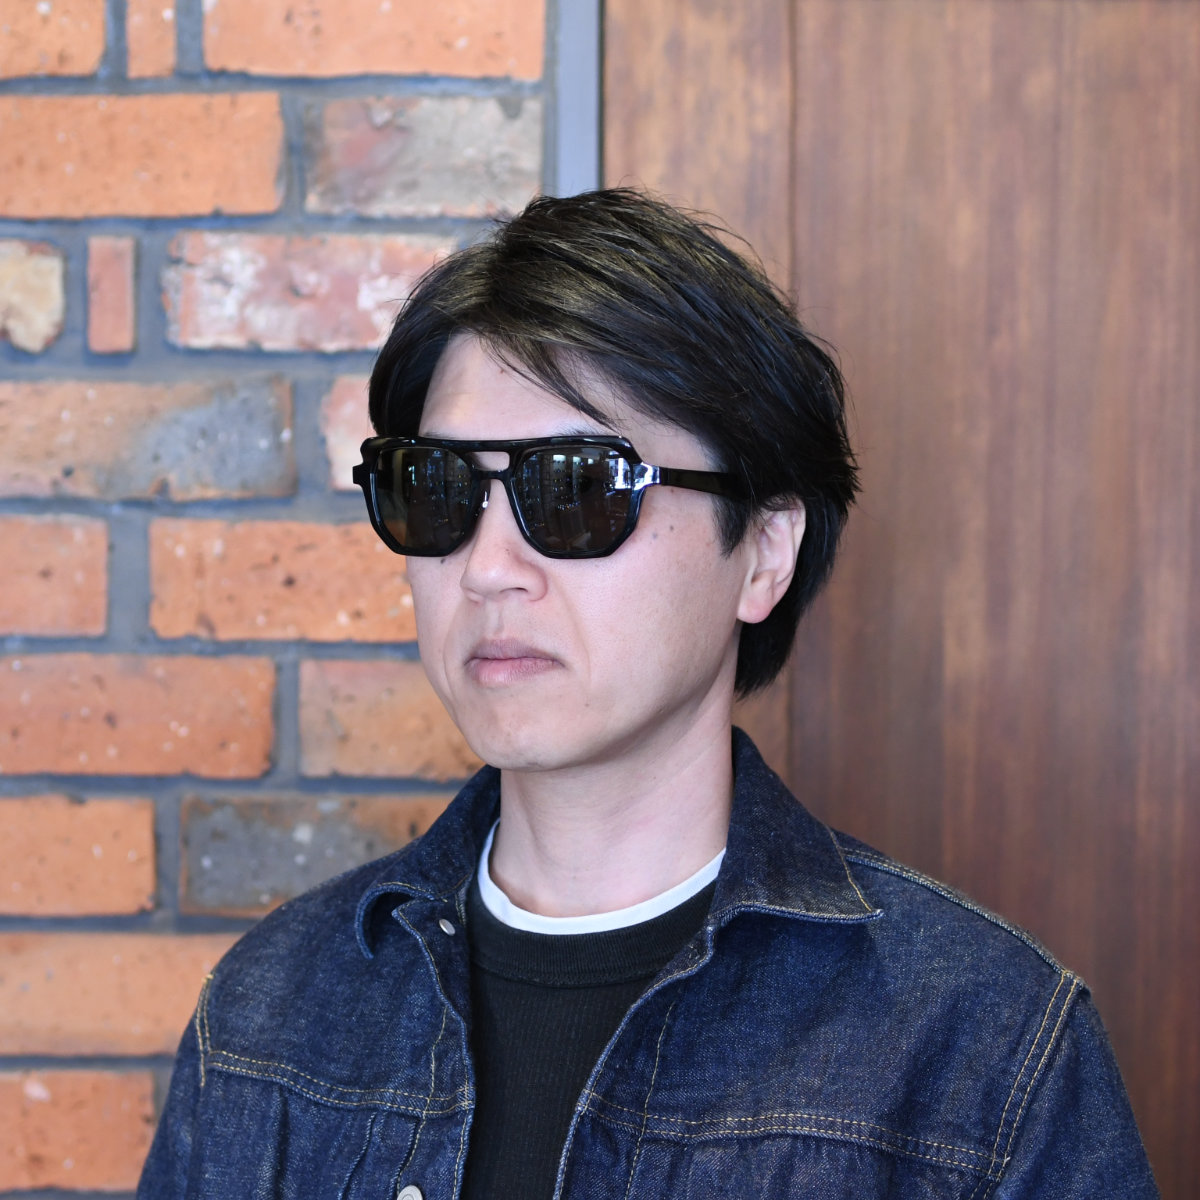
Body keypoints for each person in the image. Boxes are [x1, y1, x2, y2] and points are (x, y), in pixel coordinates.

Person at [139, 189, 1157, 1198]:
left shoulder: (984, 1056)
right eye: (440, 490)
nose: (488, 569)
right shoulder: (270, 1017)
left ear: (764, 550)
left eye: (575, 488)